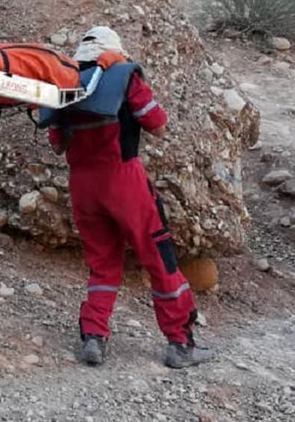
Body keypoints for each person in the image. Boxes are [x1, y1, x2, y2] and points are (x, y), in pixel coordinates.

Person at [47, 27, 215, 369]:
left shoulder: (66, 82)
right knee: (159, 258)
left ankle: (94, 337)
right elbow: (156, 122)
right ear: (114, 52)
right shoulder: (124, 76)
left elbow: (57, 143)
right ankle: (180, 344)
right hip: (123, 179)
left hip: (82, 184)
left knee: (102, 264)